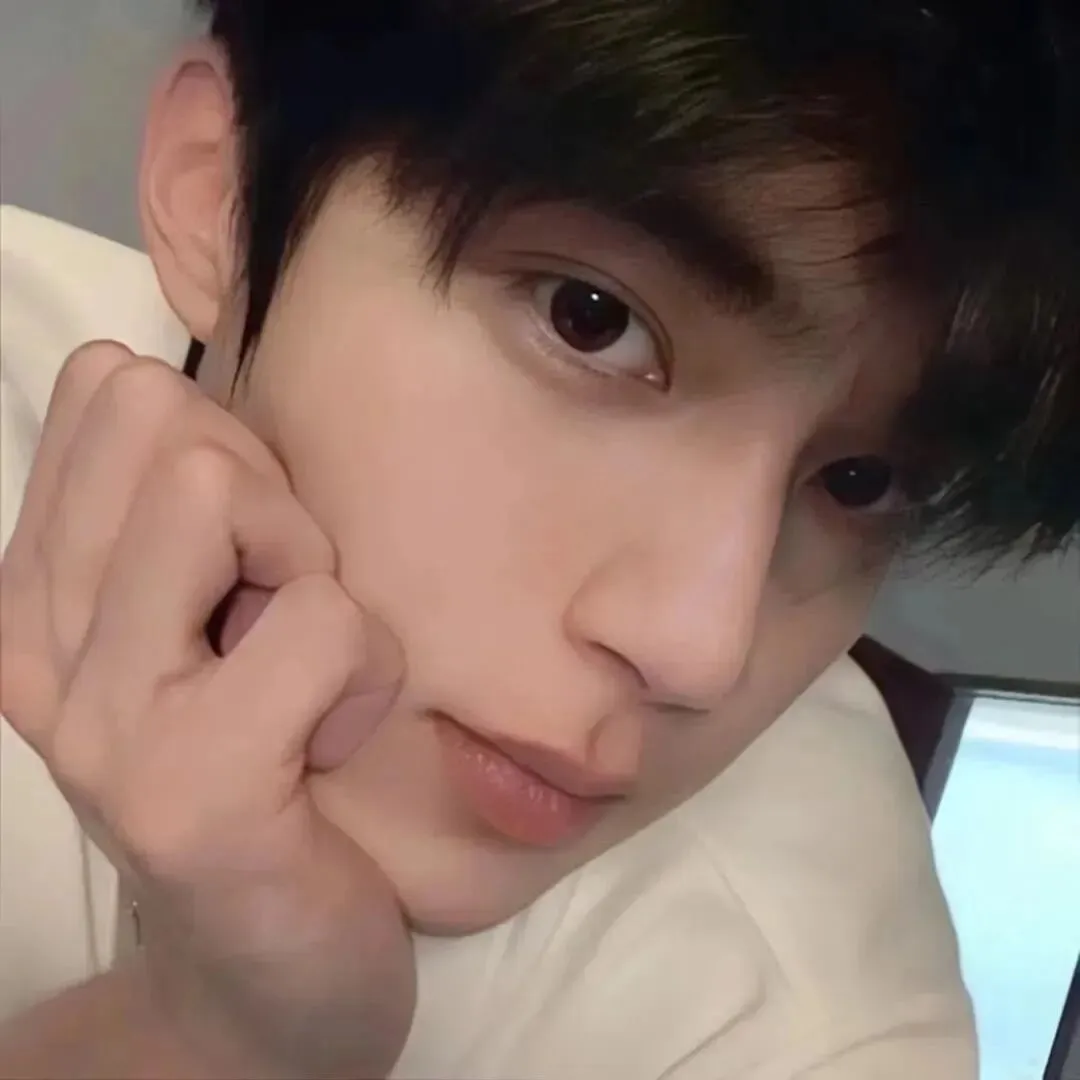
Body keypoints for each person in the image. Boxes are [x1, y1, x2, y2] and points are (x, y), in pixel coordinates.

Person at [0, 1, 1076, 1077]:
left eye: (860, 482)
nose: (699, 649)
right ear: (222, 195)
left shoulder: (817, 1023)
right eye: (590, 318)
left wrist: (224, 1037)